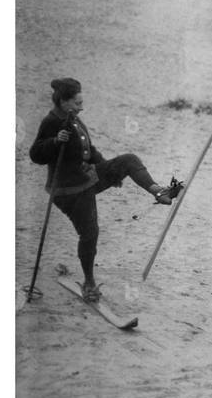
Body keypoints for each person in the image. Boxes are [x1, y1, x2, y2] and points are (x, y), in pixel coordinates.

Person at [28, 77, 182, 301]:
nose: (81, 107)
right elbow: (35, 154)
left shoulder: (73, 119)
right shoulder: (52, 122)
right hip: (68, 190)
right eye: (77, 103)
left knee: (128, 161)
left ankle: (159, 192)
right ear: (63, 102)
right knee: (89, 234)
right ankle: (89, 284)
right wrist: (55, 142)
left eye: (81, 102)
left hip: (86, 179)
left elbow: (89, 151)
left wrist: (110, 171)